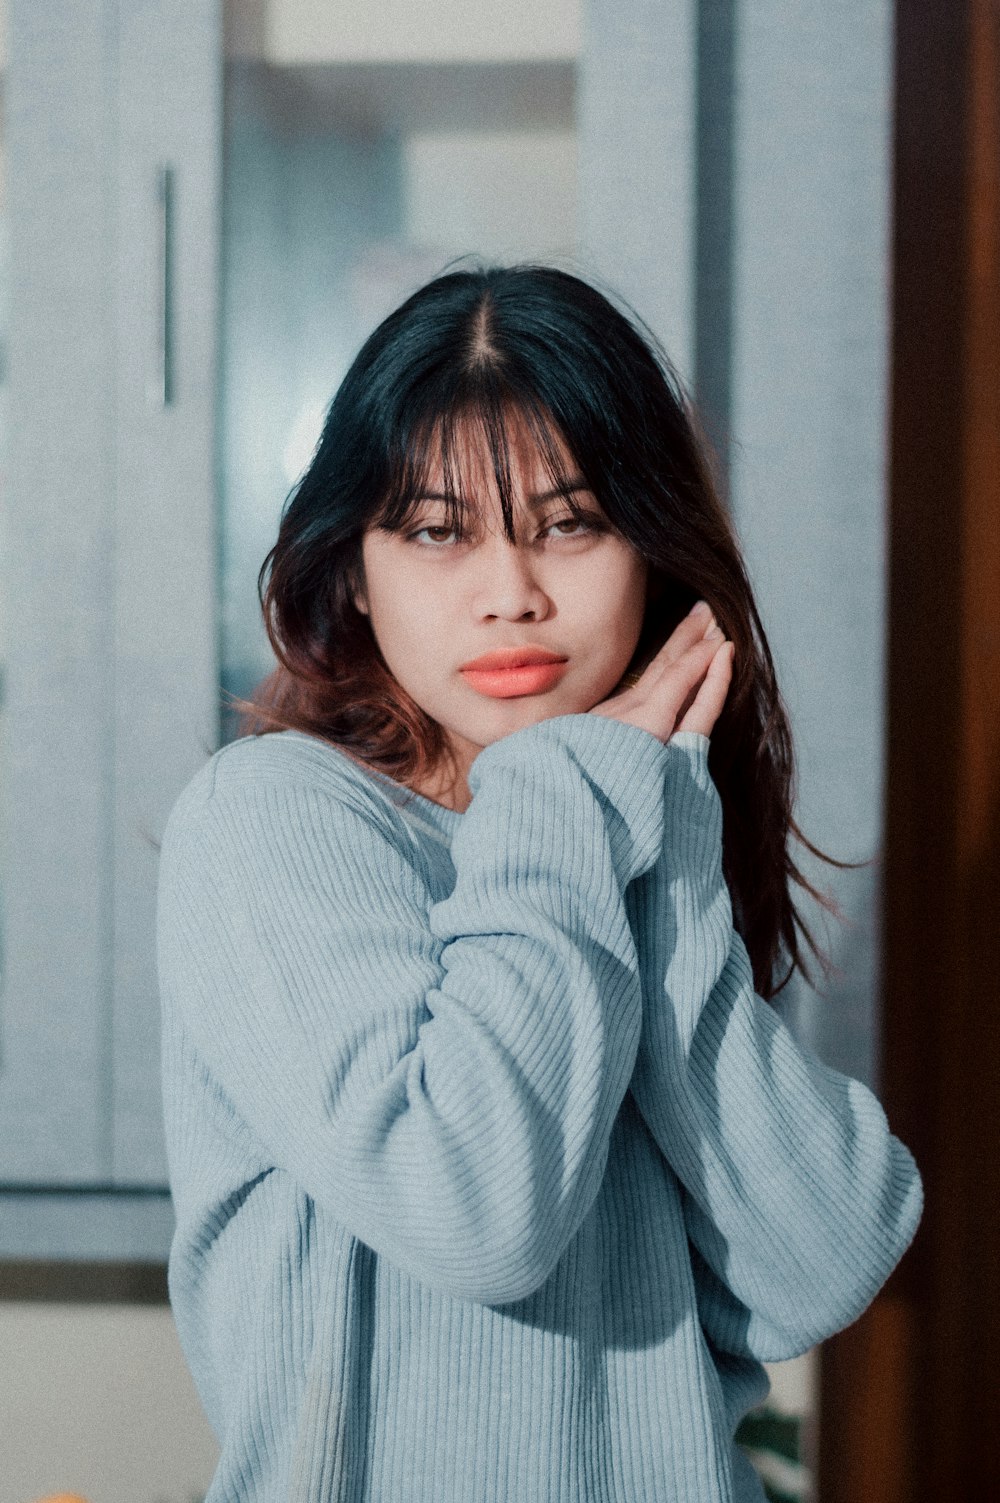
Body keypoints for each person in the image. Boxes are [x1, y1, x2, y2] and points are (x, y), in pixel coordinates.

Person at [156, 263, 923, 1503]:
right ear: (353, 564)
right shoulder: (273, 820)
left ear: (651, 552)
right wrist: (575, 795)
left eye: (569, 522)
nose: (510, 591)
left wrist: (653, 822)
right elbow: (475, 1208)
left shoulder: (629, 824)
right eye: (436, 530)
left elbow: (822, 1260)